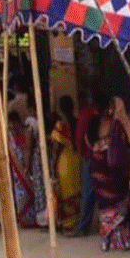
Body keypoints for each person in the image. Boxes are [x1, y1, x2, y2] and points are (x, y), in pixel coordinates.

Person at [92, 97, 130, 251]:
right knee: (119, 203)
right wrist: (123, 115)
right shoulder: (116, 124)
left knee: (105, 204)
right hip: (114, 172)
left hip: (99, 170)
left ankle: (108, 240)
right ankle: (121, 241)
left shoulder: (96, 123)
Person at [68, 92, 105, 238]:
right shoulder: (105, 113)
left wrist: (81, 150)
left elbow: (80, 134)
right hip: (103, 156)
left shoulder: (86, 112)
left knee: (88, 192)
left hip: (90, 155)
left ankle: (83, 227)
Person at [7, 110, 46, 228]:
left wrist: (26, 167)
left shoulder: (26, 131)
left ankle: (32, 218)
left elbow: (27, 149)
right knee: (21, 194)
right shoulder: (12, 134)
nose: (12, 126)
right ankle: (25, 218)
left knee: (32, 191)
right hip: (18, 169)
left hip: (26, 166)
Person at [49, 96, 81, 232]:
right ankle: (77, 221)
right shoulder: (76, 121)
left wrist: (52, 166)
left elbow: (56, 149)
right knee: (76, 190)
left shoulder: (60, 125)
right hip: (76, 159)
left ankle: (68, 223)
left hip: (65, 162)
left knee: (65, 192)